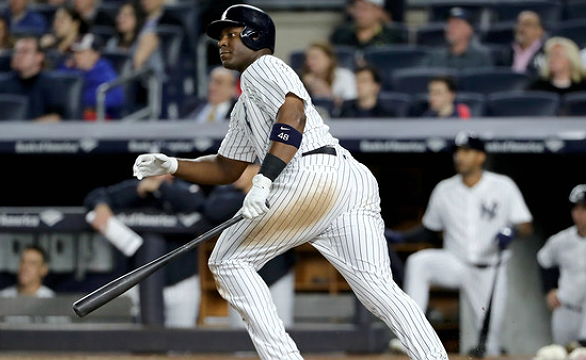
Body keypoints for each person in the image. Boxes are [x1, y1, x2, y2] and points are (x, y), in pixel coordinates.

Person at [132, 5, 448, 360]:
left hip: (309, 175)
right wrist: (174, 164)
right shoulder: (244, 104)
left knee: (228, 260)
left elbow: (293, 114)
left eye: (230, 34)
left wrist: (265, 180)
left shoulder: (262, 67)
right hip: (349, 180)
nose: (221, 42)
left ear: (254, 36)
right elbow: (226, 168)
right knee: (381, 291)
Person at [389, 131, 533, 357]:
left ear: (481, 156)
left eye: (466, 151)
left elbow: (525, 224)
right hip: (455, 263)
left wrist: (511, 230)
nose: (460, 157)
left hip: (489, 270)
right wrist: (402, 237)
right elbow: (429, 228)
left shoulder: (503, 186)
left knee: (490, 345)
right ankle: (411, 334)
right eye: (457, 152)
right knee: (420, 262)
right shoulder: (444, 189)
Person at [84, 174, 205, 327]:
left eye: (161, 166)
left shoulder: (185, 188)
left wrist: (161, 187)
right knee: (144, 343)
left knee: (182, 344)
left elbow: (198, 203)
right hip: (142, 284)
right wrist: (100, 205)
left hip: (181, 283)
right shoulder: (137, 189)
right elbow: (97, 195)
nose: (157, 171)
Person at [202, 164, 296, 328]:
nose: (236, 173)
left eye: (244, 168)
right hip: (239, 274)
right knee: (243, 335)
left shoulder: (282, 189)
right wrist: (251, 198)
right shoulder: (226, 192)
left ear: (259, 168)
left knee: (281, 330)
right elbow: (212, 210)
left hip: (277, 271)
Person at [537, 184, 586, 347]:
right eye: (576, 209)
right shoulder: (561, 240)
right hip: (565, 308)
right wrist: (549, 289)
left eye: (584, 208)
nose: (580, 214)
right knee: (560, 354)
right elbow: (543, 261)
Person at [0, 36, 63, 121]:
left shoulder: (52, 84)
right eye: (16, 52)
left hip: (40, 132)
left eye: (25, 52)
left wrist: (24, 129)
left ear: (39, 57)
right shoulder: (2, 84)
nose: (19, 56)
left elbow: (55, 118)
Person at [57, 33, 124, 120]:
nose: (76, 56)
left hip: (99, 118)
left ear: (95, 54)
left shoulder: (104, 71)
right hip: (74, 115)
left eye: (81, 52)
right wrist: (65, 67)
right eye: (75, 52)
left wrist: (81, 98)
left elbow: (117, 98)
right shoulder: (72, 68)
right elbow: (57, 87)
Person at [422, 7, 493, 71]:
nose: (451, 28)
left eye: (457, 24)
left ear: (470, 30)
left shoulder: (481, 57)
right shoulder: (435, 57)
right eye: (449, 24)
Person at [301, 42, 357, 111]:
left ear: (329, 59)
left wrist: (323, 89)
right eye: (308, 58)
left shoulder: (345, 76)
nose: (309, 62)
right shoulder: (303, 79)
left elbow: (351, 103)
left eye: (315, 57)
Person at [329, 0, 403, 49]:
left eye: (364, 9)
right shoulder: (341, 34)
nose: (359, 14)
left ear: (378, 11)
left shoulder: (393, 36)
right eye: (356, 8)